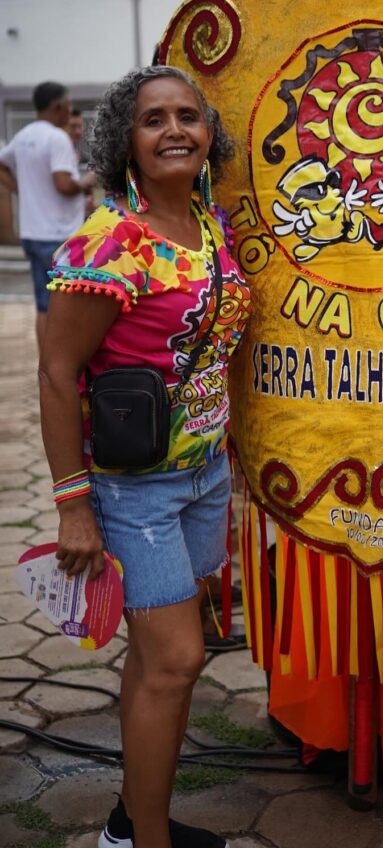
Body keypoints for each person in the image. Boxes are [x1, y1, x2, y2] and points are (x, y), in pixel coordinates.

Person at [38, 65, 251, 848]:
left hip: (203, 475)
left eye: (187, 116)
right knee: (177, 662)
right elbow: (57, 373)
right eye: (152, 118)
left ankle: (133, 825)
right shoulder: (109, 244)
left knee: (156, 658)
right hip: (134, 490)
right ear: (123, 139)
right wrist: (72, 504)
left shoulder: (210, 223)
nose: (173, 130)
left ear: (208, 133)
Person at [0, 82, 96, 352]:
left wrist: (23, 190)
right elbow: (64, 185)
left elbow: (1, 164)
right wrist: (86, 180)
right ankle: (61, 360)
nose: (69, 110)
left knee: (44, 304)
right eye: (67, 105)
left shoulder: (24, 136)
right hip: (57, 236)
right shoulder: (57, 138)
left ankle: (49, 360)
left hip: (32, 233)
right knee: (66, 304)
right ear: (57, 106)